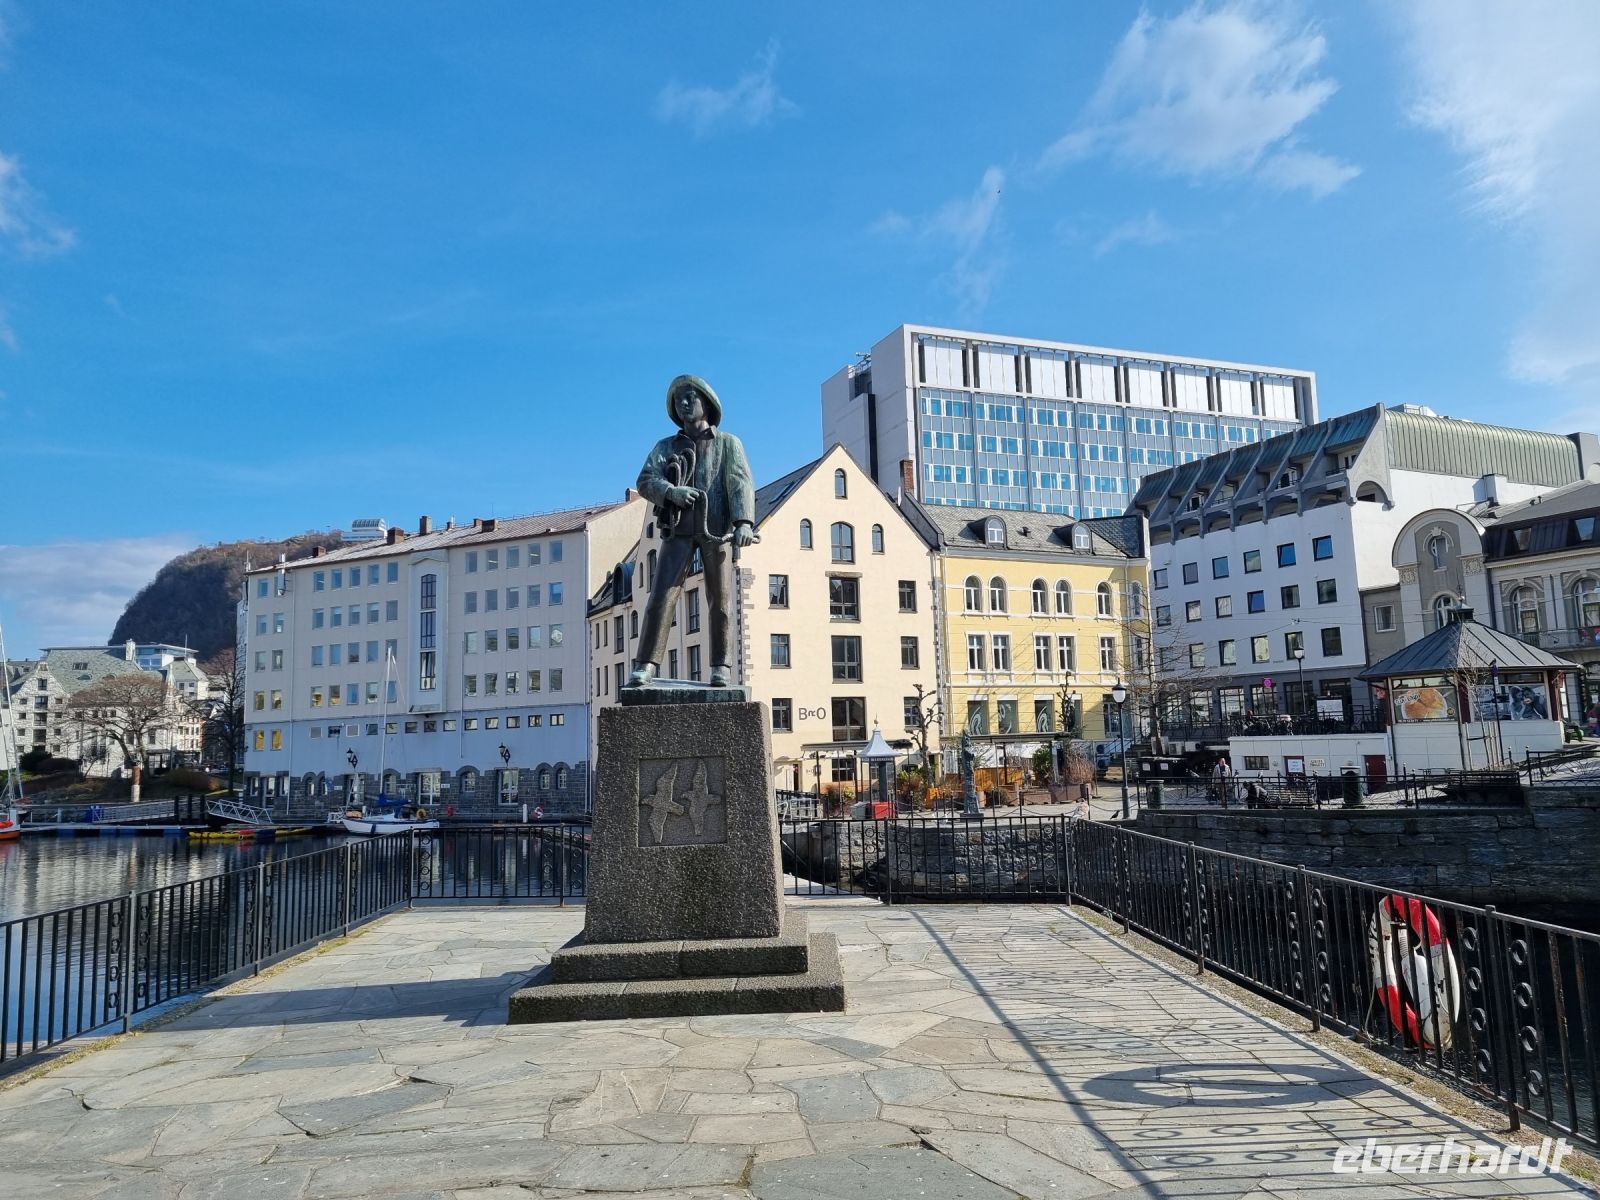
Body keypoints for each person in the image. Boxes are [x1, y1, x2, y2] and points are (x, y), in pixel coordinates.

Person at [627, 375, 756, 688]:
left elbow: (740, 482)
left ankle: (721, 666)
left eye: (690, 397)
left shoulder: (728, 443)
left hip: (717, 530)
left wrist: (743, 523)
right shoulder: (665, 446)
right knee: (661, 597)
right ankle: (646, 665)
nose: (683, 404)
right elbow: (645, 480)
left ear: (706, 404)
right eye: (678, 400)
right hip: (678, 530)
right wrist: (671, 492)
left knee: (720, 601)